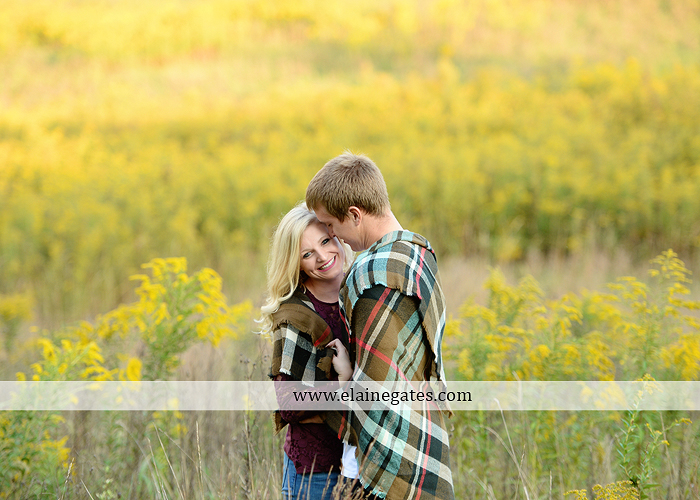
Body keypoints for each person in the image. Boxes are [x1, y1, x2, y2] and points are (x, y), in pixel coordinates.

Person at [306, 152, 455, 500]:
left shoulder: (376, 277)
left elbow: (376, 390)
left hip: (395, 457)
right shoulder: (416, 252)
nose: (332, 235)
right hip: (421, 431)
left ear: (355, 215)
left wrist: (343, 379)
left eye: (331, 224)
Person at [260, 202, 357, 500]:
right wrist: (343, 381)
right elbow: (287, 402)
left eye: (326, 241)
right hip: (316, 471)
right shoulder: (297, 315)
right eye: (307, 254)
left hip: (362, 462)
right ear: (296, 263)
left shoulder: (358, 291)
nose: (323, 256)